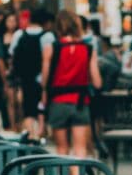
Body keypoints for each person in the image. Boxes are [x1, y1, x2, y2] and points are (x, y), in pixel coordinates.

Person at [40, 9, 102, 158]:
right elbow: (98, 83)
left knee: (62, 150)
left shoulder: (51, 49)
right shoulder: (88, 49)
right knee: (80, 149)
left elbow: (44, 81)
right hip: (81, 103)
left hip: (58, 103)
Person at [9, 8, 54, 138]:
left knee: (28, 112)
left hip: (24, 80)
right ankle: (41, 135)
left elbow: (12, 57)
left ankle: (31, 138)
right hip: (43, 79)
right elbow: (49, 59)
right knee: (42, 109)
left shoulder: (19, 34)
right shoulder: (48, 36)